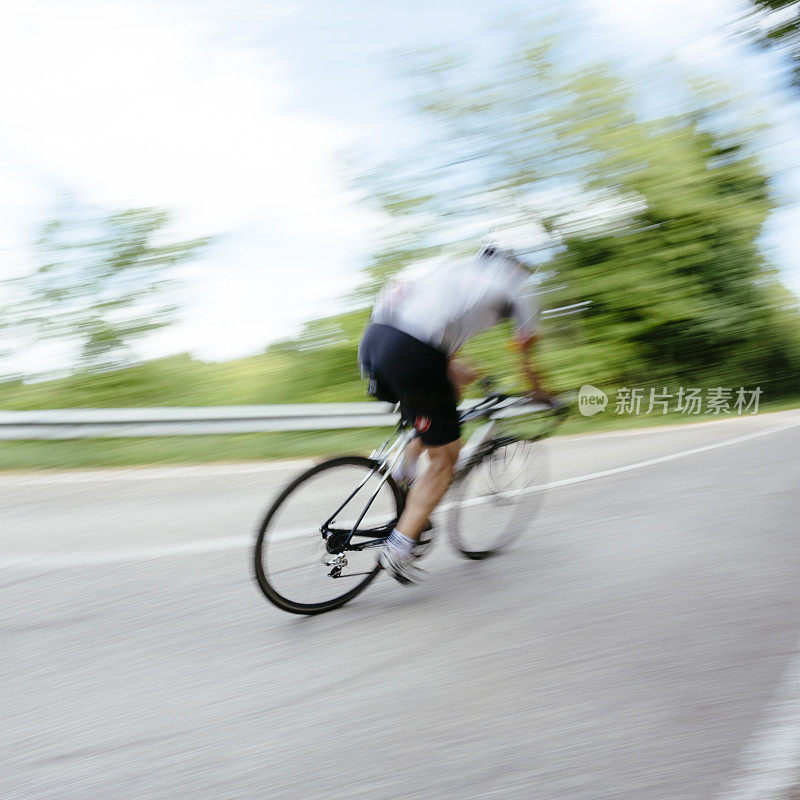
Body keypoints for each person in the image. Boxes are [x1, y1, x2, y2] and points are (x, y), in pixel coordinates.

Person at [358, 244, 553, 585]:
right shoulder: (519, 286)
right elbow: (527, 359)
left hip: (375, 340)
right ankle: (399, 549)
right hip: (413, 350)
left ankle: (403, 469)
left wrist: (469, 372)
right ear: (518, 266)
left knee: (449, 391)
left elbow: (444, 349)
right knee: (446, 459)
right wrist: (541, 393)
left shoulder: (455, 272)